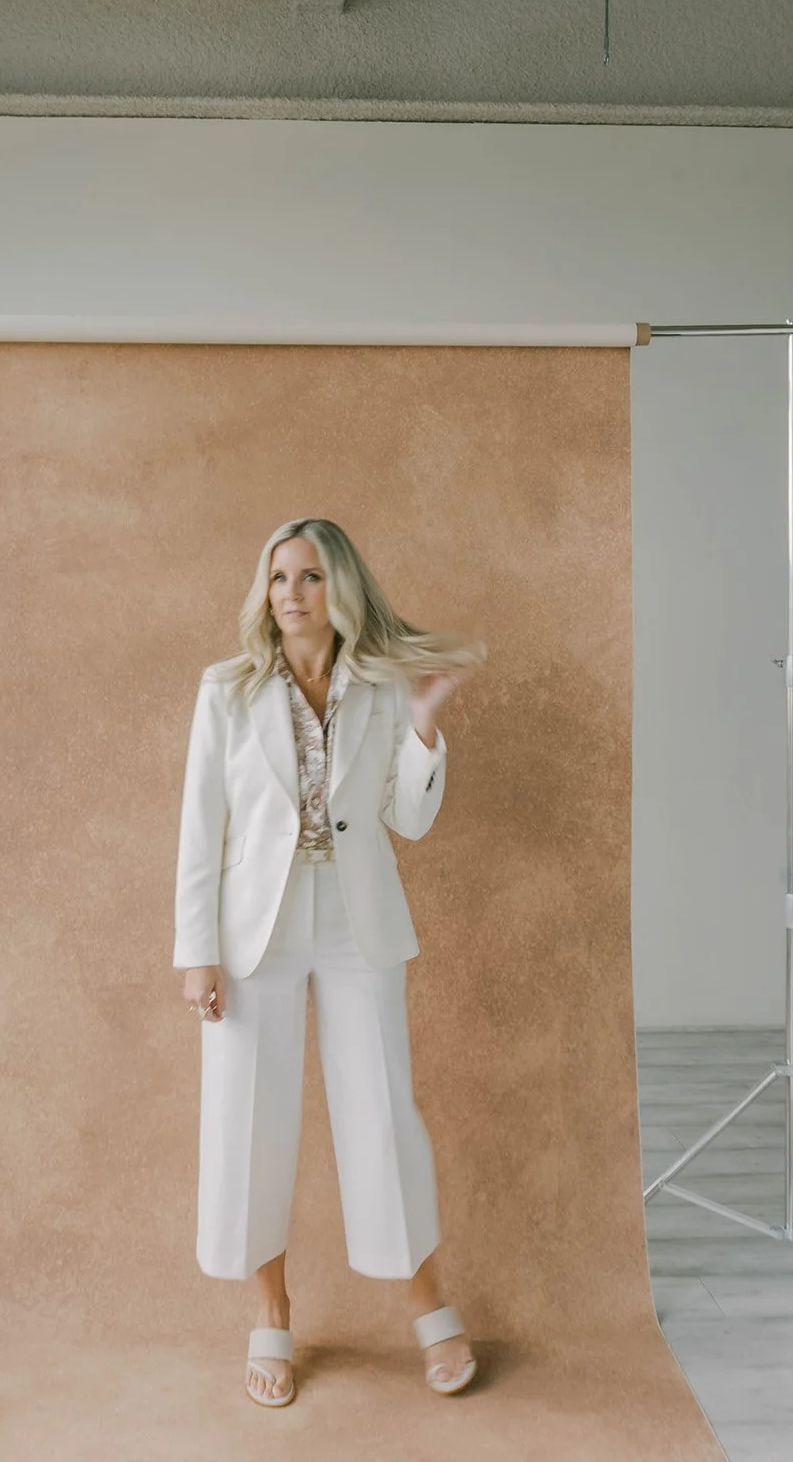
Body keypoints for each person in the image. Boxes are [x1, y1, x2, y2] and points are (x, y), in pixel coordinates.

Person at [173, 518, 487, 1409]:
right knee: (248, 1113)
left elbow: (409, 821)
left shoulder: (380, 687)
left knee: (382, 1108)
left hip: (357, 917)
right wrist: (196, 953)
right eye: (278, 578)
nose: (291, 594)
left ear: (338, 587)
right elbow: (201, 825)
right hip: (252, 927)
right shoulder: (227, 688)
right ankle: (270, 1313)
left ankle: (427, 1305)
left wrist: (423, 724)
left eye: (310, 577)